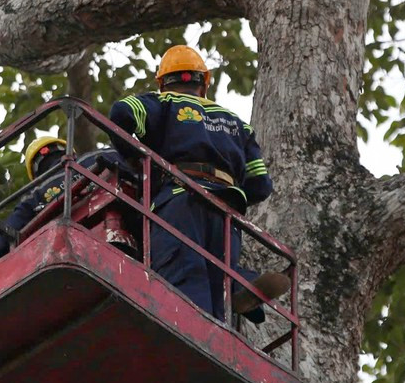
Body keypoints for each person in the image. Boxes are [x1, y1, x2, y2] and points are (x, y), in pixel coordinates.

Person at [109, 44, 289, 322]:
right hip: (227, 210)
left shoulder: (163, 103)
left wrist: (138, 161)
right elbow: (260, 185)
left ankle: (200, 328)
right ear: (204, 82)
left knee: (184, 271)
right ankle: (241, 283)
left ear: (162, 82)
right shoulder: (238, 124)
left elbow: (122, 112)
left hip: (180, 198)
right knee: (220, 275)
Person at [0, 136, 68, 269]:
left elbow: (3, 239)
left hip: (63, 251)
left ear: (36, 172)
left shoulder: (36, 195)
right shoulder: (100, 155)